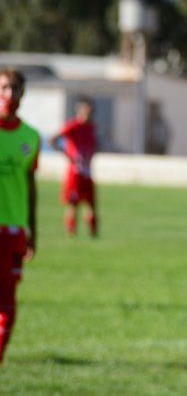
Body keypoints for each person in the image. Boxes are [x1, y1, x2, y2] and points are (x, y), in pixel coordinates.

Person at [0, 68, 40, 364]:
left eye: (15, 89)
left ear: (23, 94)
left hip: (14, 232)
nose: (9, 95)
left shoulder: (30, 137)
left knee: (7, 307)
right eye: (3, 88)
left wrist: (33, 231)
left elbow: (29, 185)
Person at [50, 97, 98, 237]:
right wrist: (66, 154)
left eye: (90, 109)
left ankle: (93, 234)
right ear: (80, 110)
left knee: (91, 204)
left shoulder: (92, 127)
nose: (89, 112)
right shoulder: (73, 126)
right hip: (75, 172)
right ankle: (72, 234)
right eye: (86, 108)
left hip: (87, 172)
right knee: (73, 204)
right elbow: (53, 139)